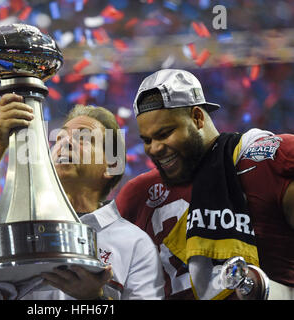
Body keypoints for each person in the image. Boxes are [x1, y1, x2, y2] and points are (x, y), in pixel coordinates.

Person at [0, 94, 165, 300]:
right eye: (59, 138)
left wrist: (96, 299)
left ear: (111, 165)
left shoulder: (135, 244)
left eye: (83, 138)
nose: (64, 144)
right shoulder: (13, 213)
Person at [115, 68, 294, 300]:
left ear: (198, 117)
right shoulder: (139, 195)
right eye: (147, 140)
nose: (155, 149)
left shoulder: (268, 161)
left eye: (165, 133)